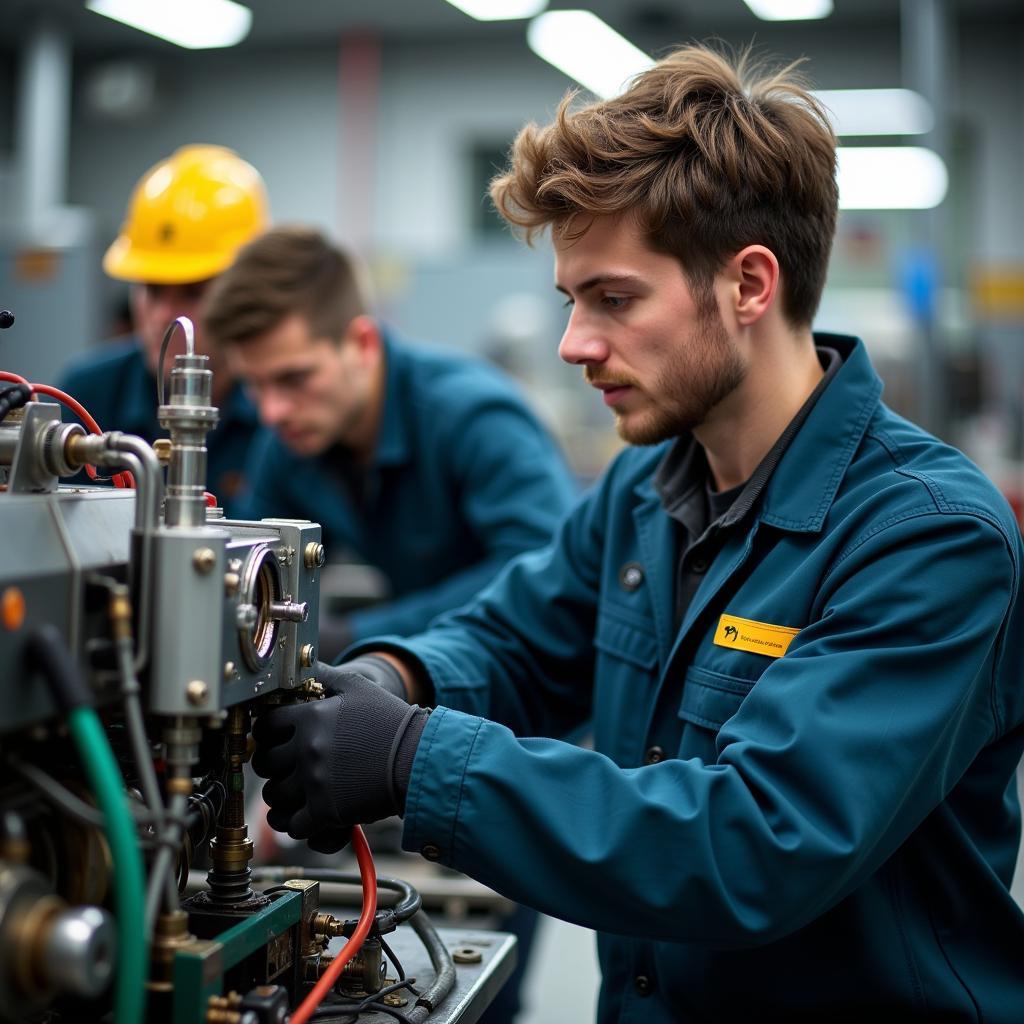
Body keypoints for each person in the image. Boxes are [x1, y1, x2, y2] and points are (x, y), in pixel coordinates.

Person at [250, 45, 1024, 1023]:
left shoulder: (927, 537)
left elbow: (754, 842)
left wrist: (413, 759)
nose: (574, 343)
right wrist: (393, 678)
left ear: (748, 284)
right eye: (572, 301)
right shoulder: (645, 491)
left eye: (613, 299)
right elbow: (517, 637)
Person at [202, 225, 578, 648]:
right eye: (254, 384)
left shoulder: (471, 415)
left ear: (362, 343)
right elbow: (254, 573)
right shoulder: (290, 440)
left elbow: (547, 568)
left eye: (295, 378)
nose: (271, 411)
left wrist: (358, 636)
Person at [57, 145, 267, 516]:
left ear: (246, 291)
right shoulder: (87, 394)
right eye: (152, 290)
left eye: (193, 292)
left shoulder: (279, 409)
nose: (163, 316)